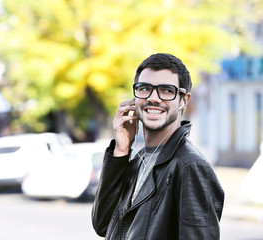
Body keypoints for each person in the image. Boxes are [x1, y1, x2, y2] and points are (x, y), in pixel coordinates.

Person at [92, 53, 224, 239]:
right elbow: (103, 224)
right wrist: (120, 152)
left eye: (166, 90)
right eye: (145, 88)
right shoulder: (138, 161)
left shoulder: (190, 166)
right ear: (135, 97)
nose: (153, 98)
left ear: (183, 100)